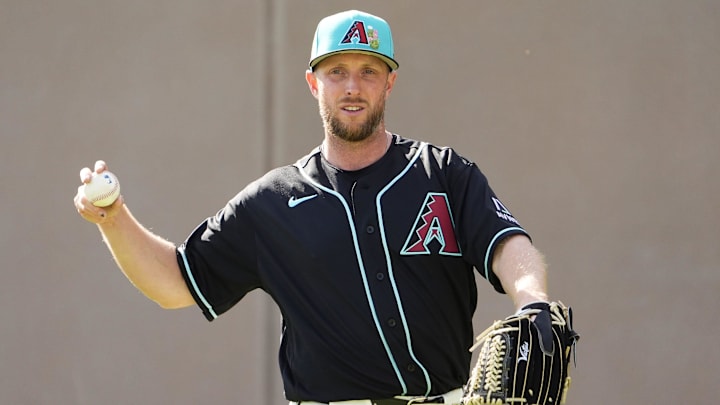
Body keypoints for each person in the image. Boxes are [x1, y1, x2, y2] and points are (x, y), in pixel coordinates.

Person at [74, 10, 551, 405]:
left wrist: (532, 302)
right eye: (336, 71)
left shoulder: (442, 173)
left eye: (368, 71)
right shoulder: (271, 203)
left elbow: (506, 243)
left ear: (390, 83)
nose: (352, 86)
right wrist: (114, 219)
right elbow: (176, 283)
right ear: (313, 83)